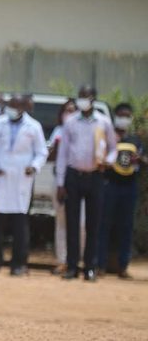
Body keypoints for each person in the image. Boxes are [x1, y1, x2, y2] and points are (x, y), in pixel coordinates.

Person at [56, 85, 117, 281]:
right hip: (74, 176)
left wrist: (108, 161)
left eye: (85, 96)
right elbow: (63, 153)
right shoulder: (71, 122)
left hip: (95, 176)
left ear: (93, 99)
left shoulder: (104, 122)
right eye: (80, 96)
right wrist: (60, 182)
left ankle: (90, 267)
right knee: (72, 223)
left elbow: (113, 149)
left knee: (93, 224)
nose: (82, 100)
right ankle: (72, 266)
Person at [0, 95, 47, 275]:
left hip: (21, 178)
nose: (10, 109)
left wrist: (33, 167)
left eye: (14, 106)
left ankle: (18, 264)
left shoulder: (34, 126)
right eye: (9, 105)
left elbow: (41, 152)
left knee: (20, 224)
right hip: (0, 176)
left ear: (22, 108)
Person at [98, 103, 144, 278]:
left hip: (129, 186)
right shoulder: (108, 137)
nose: (124, 119)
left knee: (126, 226)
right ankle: (100, 264)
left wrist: (140, 160)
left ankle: (122, 266)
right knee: (104, 225)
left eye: (127, 116)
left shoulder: (135, 140)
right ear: (115, 117)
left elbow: (142, 161)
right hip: (110, 185)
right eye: (121, 115)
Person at [47, 99, 79, 273]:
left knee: (81, 223)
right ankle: (62, 260)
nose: (70, 114)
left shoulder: (83, 129)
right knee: (61, 222)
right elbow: (49, 156)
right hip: (59, 180)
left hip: (79, 180)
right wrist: (55, 149)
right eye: (67, 110)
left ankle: (77, 259)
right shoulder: (58, 131)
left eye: (73, 110)